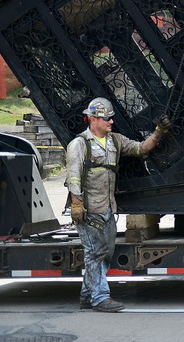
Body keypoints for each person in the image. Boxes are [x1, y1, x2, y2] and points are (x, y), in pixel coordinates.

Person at [66, 97, 171, 312]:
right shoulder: (79, 144)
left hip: (107, 208)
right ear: (93, 119)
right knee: (95, 253)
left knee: (103, 252)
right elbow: (73, 177)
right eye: (106, 119)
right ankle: (99, 298)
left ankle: (87, 296)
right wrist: (77, 205)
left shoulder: (115, 141)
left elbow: (141, 149)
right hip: (88, 210)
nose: (111, 122)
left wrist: (158, 132)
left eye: (111, 118)